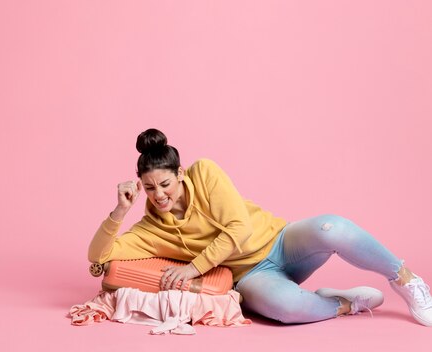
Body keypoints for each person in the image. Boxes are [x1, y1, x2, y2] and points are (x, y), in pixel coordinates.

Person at [88, 128, 432, 325]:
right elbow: (99, 257)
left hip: (281, 241)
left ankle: (407, 280)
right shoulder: (150, 229)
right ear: (140, 186)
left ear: (179, 173)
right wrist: (119, 212)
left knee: (332, 227)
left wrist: (194, 268)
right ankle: (344, 304)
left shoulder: (204, 172)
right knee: (285, 309)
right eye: (150, 188)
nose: (159, 194)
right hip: (251, 276)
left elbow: (239, 229)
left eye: (165, 184)